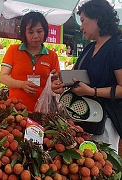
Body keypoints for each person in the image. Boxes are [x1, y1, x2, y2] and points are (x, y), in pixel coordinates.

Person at [51, 0, 122, 152]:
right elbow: (75, 75)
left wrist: (92, 92)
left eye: (83, 20)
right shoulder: (89, 48)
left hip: (105, 124)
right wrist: (60, 82)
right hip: (80, 120)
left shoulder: (117, 48)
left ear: (97, 18)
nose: (81, 27)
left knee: (101, 166)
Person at [0, 12, 60, 112]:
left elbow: (56, 81)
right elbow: (3, 77)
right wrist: (22, 84)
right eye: (30, 32)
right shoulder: (13, 50)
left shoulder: (52, 55)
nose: (35, 36)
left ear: (45, 31)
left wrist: (56, 85)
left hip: (43, 111)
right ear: (24, 33)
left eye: (39, 31)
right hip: (16, 110)